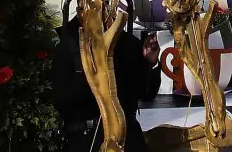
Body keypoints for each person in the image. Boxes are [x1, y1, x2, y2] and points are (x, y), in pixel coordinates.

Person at [52, 11, 161, 152]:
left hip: (127, 137)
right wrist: (90, 72)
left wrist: (150, 64)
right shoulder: (70, 45)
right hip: (86, 137)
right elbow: (62, 101)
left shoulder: (128, 43)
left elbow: (146, 94)